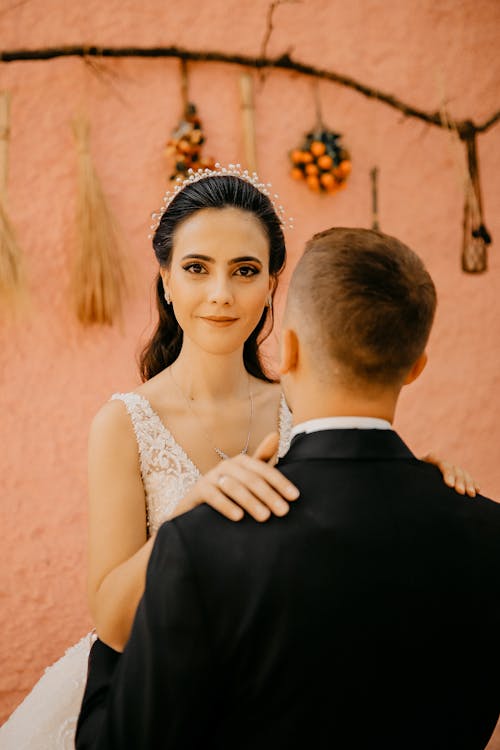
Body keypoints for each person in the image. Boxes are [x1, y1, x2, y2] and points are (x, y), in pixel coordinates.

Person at [0, 168, 476, 748]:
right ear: (167, 282)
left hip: (279, 693)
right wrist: (189, 512)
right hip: (155, 695)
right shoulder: (124, 423)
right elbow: (113, 621)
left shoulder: (303, 403)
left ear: (273, 285)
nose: (221, 293)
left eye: (245, 271)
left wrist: (421, 484)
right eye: (197, 268)